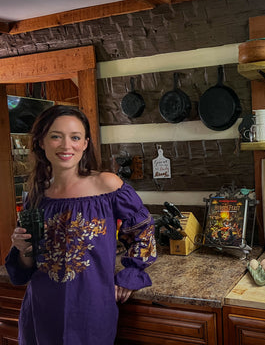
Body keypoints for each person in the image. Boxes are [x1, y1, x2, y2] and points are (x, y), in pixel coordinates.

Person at [6, 105, 157, 344]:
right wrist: (23, 249)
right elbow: (27, 265)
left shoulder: (107, 185)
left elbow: (143, 230)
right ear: (41, 142)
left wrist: (131, 272)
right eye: (56, 136)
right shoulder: (36, 195)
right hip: (41, 309)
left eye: (75, 137)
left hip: (92, 308)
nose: (67, 145)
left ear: (85, 143)